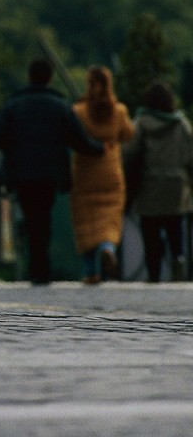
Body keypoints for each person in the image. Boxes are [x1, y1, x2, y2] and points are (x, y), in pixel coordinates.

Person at [0, 58, 104, 285]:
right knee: (43, 219)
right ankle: (41, 269)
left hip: (22, 173)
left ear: (30, 76)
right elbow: (78, 139)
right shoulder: (60, 106)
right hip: (49, 175)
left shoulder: (14, 105)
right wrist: (100, 149)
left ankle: (35, 267)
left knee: (31, 216)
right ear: (50, 77)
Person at [70, 66, 134, 284]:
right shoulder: (119, 111)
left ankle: (91, 271)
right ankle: (107, 247)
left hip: (85, 172)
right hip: (111, 172)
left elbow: (73, 137)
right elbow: (129, 134)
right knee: (111, 216)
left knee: (85, 218)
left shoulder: (79, 111)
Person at [125, 81, 193, 282]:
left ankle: (154, 271)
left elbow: (129, 153)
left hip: (150, 184)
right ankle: (178, 258)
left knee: (150, 230)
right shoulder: (181, 124)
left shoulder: (141, 123)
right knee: (174, 227)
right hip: (176, 185)